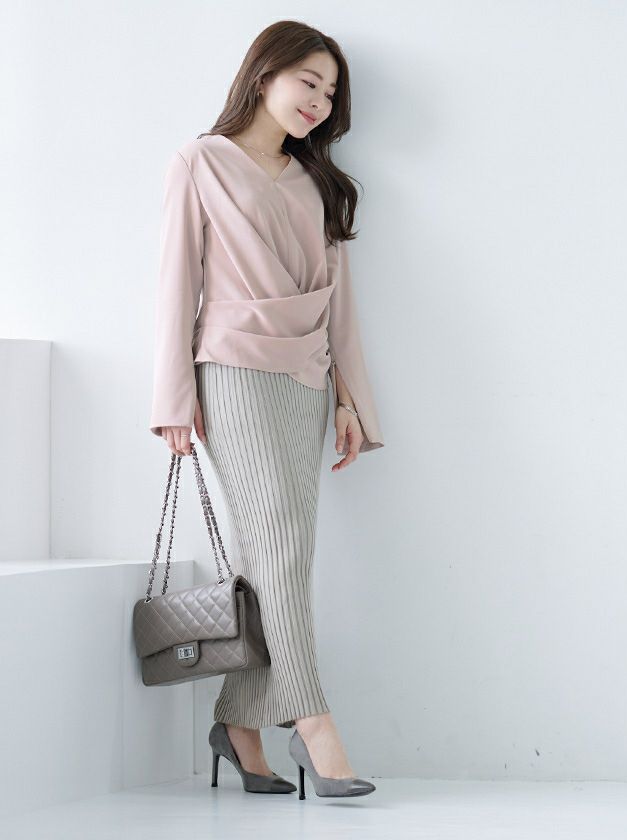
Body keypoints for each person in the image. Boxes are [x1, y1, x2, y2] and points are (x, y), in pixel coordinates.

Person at [148, 20, 384, 798]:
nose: (320, 101)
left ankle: (239, 726)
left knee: (276, 555)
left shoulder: (318, 183)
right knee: (281, 544)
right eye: (308, 81)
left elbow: (340, 303)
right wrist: (173, 396)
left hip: (306, 379)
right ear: (264, 75)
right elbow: (177, 285)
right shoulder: (201, 161)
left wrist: (351, 399)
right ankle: (313, 723)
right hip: (233, 371)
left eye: (331, 92)